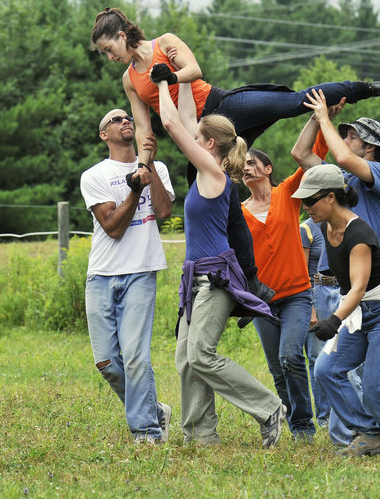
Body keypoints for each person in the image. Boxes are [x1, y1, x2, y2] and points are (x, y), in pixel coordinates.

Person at [89, 7, 380, 177]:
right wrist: (143, 166)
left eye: (108, 49)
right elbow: (145, 131)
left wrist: (169, 76)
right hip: (196, 133)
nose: (109, 57)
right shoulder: (130, 79)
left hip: (221, 105)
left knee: (296, 101)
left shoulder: (165, 43)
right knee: (209, 188)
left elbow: (195, 71)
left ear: (121, 35)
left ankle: (370, 88)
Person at [154, 72, 286, 448]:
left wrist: (161, 85)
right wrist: (178, 84)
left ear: (209, 144)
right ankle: (201, 435)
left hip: (216, 277)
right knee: (185, 357)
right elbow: (182, 121)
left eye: (197, 138)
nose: (190, 139)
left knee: (200, 353)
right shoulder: (203, 172)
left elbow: (169, 123)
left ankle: (269, 408)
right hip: (195, 277)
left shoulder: (214, 174)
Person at [291, 89, 380, 447]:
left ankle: (378, 435)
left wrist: (326, 118)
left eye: (352, 135)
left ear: (369, 148)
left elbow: (336, 152)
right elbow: (301, 153)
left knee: (366, 376)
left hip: (365, 287)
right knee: (330, 368)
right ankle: (351, 440)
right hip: (331, 285)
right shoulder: (339, 182)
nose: (344, 138)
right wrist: (315, 116)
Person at [293, 164, 380, 457]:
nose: (306, 208)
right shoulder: (325, 227)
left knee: (377, 388)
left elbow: (358, 287)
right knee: (327, 371)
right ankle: (371, 434)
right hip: (360, 313)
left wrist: (333, 320)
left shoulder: (359, 232)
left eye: (310, 201)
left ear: (330, 198)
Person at [79, 108, 174, 444]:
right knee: (106, 362)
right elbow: (112, 228)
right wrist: (134, 189)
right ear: (104, 134)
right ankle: (155, 411)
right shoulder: (94, 175)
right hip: (102, 274)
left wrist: (149, 171)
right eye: (116, 120)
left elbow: (163, 211)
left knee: (135, 356)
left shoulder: (156, 169)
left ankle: (147, 432)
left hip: (141, 271)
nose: (125, 122)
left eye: (128, 119)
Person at [241, 148, 316, 442]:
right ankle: (293, 422)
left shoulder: (287, 193)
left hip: (297, 295)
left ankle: (304, 426)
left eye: (252, 162)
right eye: (242, 164)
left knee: (291, 357)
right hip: (262, 303)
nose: (246, 168)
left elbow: (311, 154)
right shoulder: (239, 211)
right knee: (277, 367)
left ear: (268, 168)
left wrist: (321, 116)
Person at [300, 217, 330, 428]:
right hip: (316, 294)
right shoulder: (306, 229)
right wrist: (309, 307)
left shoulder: (343, 223)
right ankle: (325, 416)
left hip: (341, 292)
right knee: (317, 356)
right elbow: (301, 271)